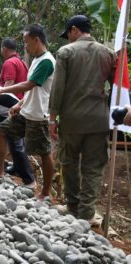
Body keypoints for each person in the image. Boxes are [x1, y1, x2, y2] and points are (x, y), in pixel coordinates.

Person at [49, 15, 116, 225]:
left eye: (68, 34)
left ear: (74, 30)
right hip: (99, 119)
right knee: (93, 166)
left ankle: (73, 205)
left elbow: (58, 88)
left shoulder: (66, 52)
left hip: (72, 119)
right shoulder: (109, 53)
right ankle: (87, 213)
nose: (68, 38)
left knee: (69, 162)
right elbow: (118, 87)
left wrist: (52, 118)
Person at [0, 24, 56, 199]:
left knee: (44, 152)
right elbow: (31, 90)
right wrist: (19, 104)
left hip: (38, 115)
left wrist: (2, 91)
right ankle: (0, 170)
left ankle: (45, 192)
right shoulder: (35, 60)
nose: (25, 47)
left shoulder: (47, 61)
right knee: (3, 130)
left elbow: (29, 85)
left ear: (37, 40)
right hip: (26, 111)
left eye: (27, 42)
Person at [0, 38, 30, 176]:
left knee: (14, 137)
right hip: (21, 102)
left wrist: (0, 98)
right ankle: (17, 167)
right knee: (13, 136)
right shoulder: (22, 62)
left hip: (12, 103)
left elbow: (9, 83)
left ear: (4, 49)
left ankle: (26, 174)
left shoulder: (9, 62)